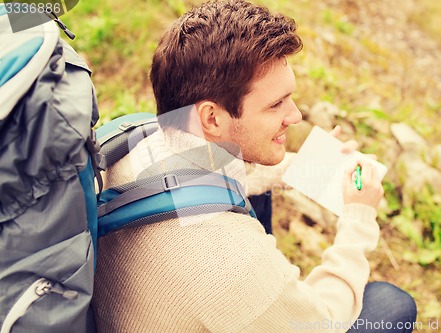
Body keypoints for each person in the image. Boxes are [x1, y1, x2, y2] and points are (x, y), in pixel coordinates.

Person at [92, 1, 417, 332]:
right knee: (391, 304)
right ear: (212, 117)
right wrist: (357, 218)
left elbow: (194, 178)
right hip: (227, 287)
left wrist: (307, 168)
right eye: (276, 104)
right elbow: (322, 322)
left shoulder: (134, 141)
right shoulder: (232, 263)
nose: (295, 116)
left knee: (252, 189)